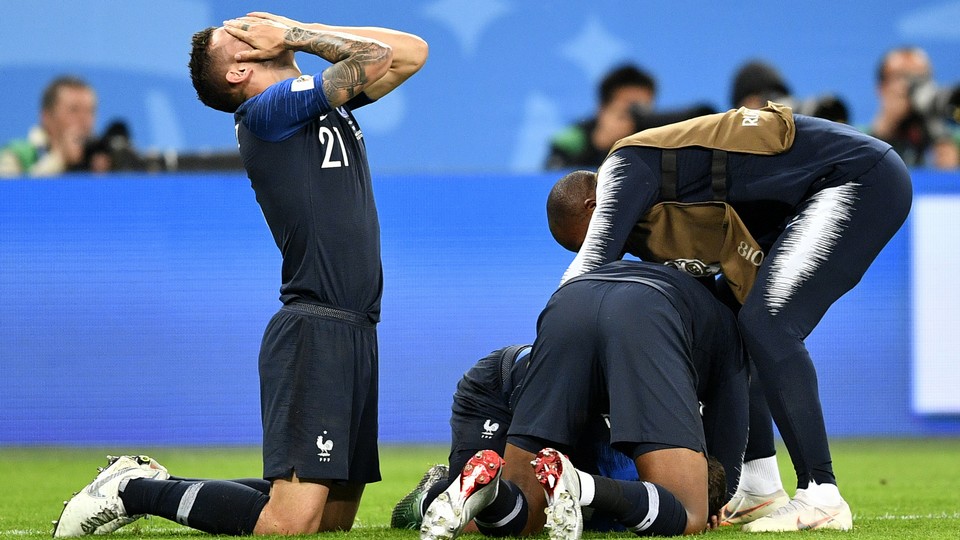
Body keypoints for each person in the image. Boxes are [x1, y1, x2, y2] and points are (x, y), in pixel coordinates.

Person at [52, 10, 427, 537]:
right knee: (288, 525)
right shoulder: (268, 111)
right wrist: (294, 34)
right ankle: (129, 490)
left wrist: (294, 26)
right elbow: (375, 56)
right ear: (238, 71)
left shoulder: (314, 99)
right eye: (238, 34)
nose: (252, 25)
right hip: (314, 327)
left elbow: (413, 51)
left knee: (331, 520)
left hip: (356, 327)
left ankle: (147, 480)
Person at [546, 104, 913, 532]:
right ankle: (759, 486)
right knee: (732, 323)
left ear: (593, 203)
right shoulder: (654, 217)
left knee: (770, 323)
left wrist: (546, 365)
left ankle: (821, 493)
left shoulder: (622, 169)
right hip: (807, 198)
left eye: (584, 236)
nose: (621, 248)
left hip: (859, 176)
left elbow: (587, 271)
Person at [418, 260, 750, 539]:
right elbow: (730, 443)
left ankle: (485, 491)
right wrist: (712, 502)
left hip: (569, 299)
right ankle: (577, 485)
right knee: (684, 510)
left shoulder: (695, 312)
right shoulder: (724, 335)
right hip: (503, 386)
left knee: (527, 518)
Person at [545, 64, 657, 170]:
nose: (638, 114)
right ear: (602, 108)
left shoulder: (657, 136)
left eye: (643, 107)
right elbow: (552, 181)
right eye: (631, 106)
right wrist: (598, 147)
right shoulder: (573, 139)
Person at [864, 45, 960, 170]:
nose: (913, 86)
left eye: (922, 78)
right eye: (902, 77)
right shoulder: (858, 141)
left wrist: (951, 173)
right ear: (881, 88)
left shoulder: (953, 143)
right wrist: (883, 132)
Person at [0, 75, 97, 177]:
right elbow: (12, 191)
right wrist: (60, 159)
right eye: (74, 110)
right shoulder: (17, 156)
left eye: (90, 111)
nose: (84, 120)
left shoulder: (99, 158)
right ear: (47, 116)